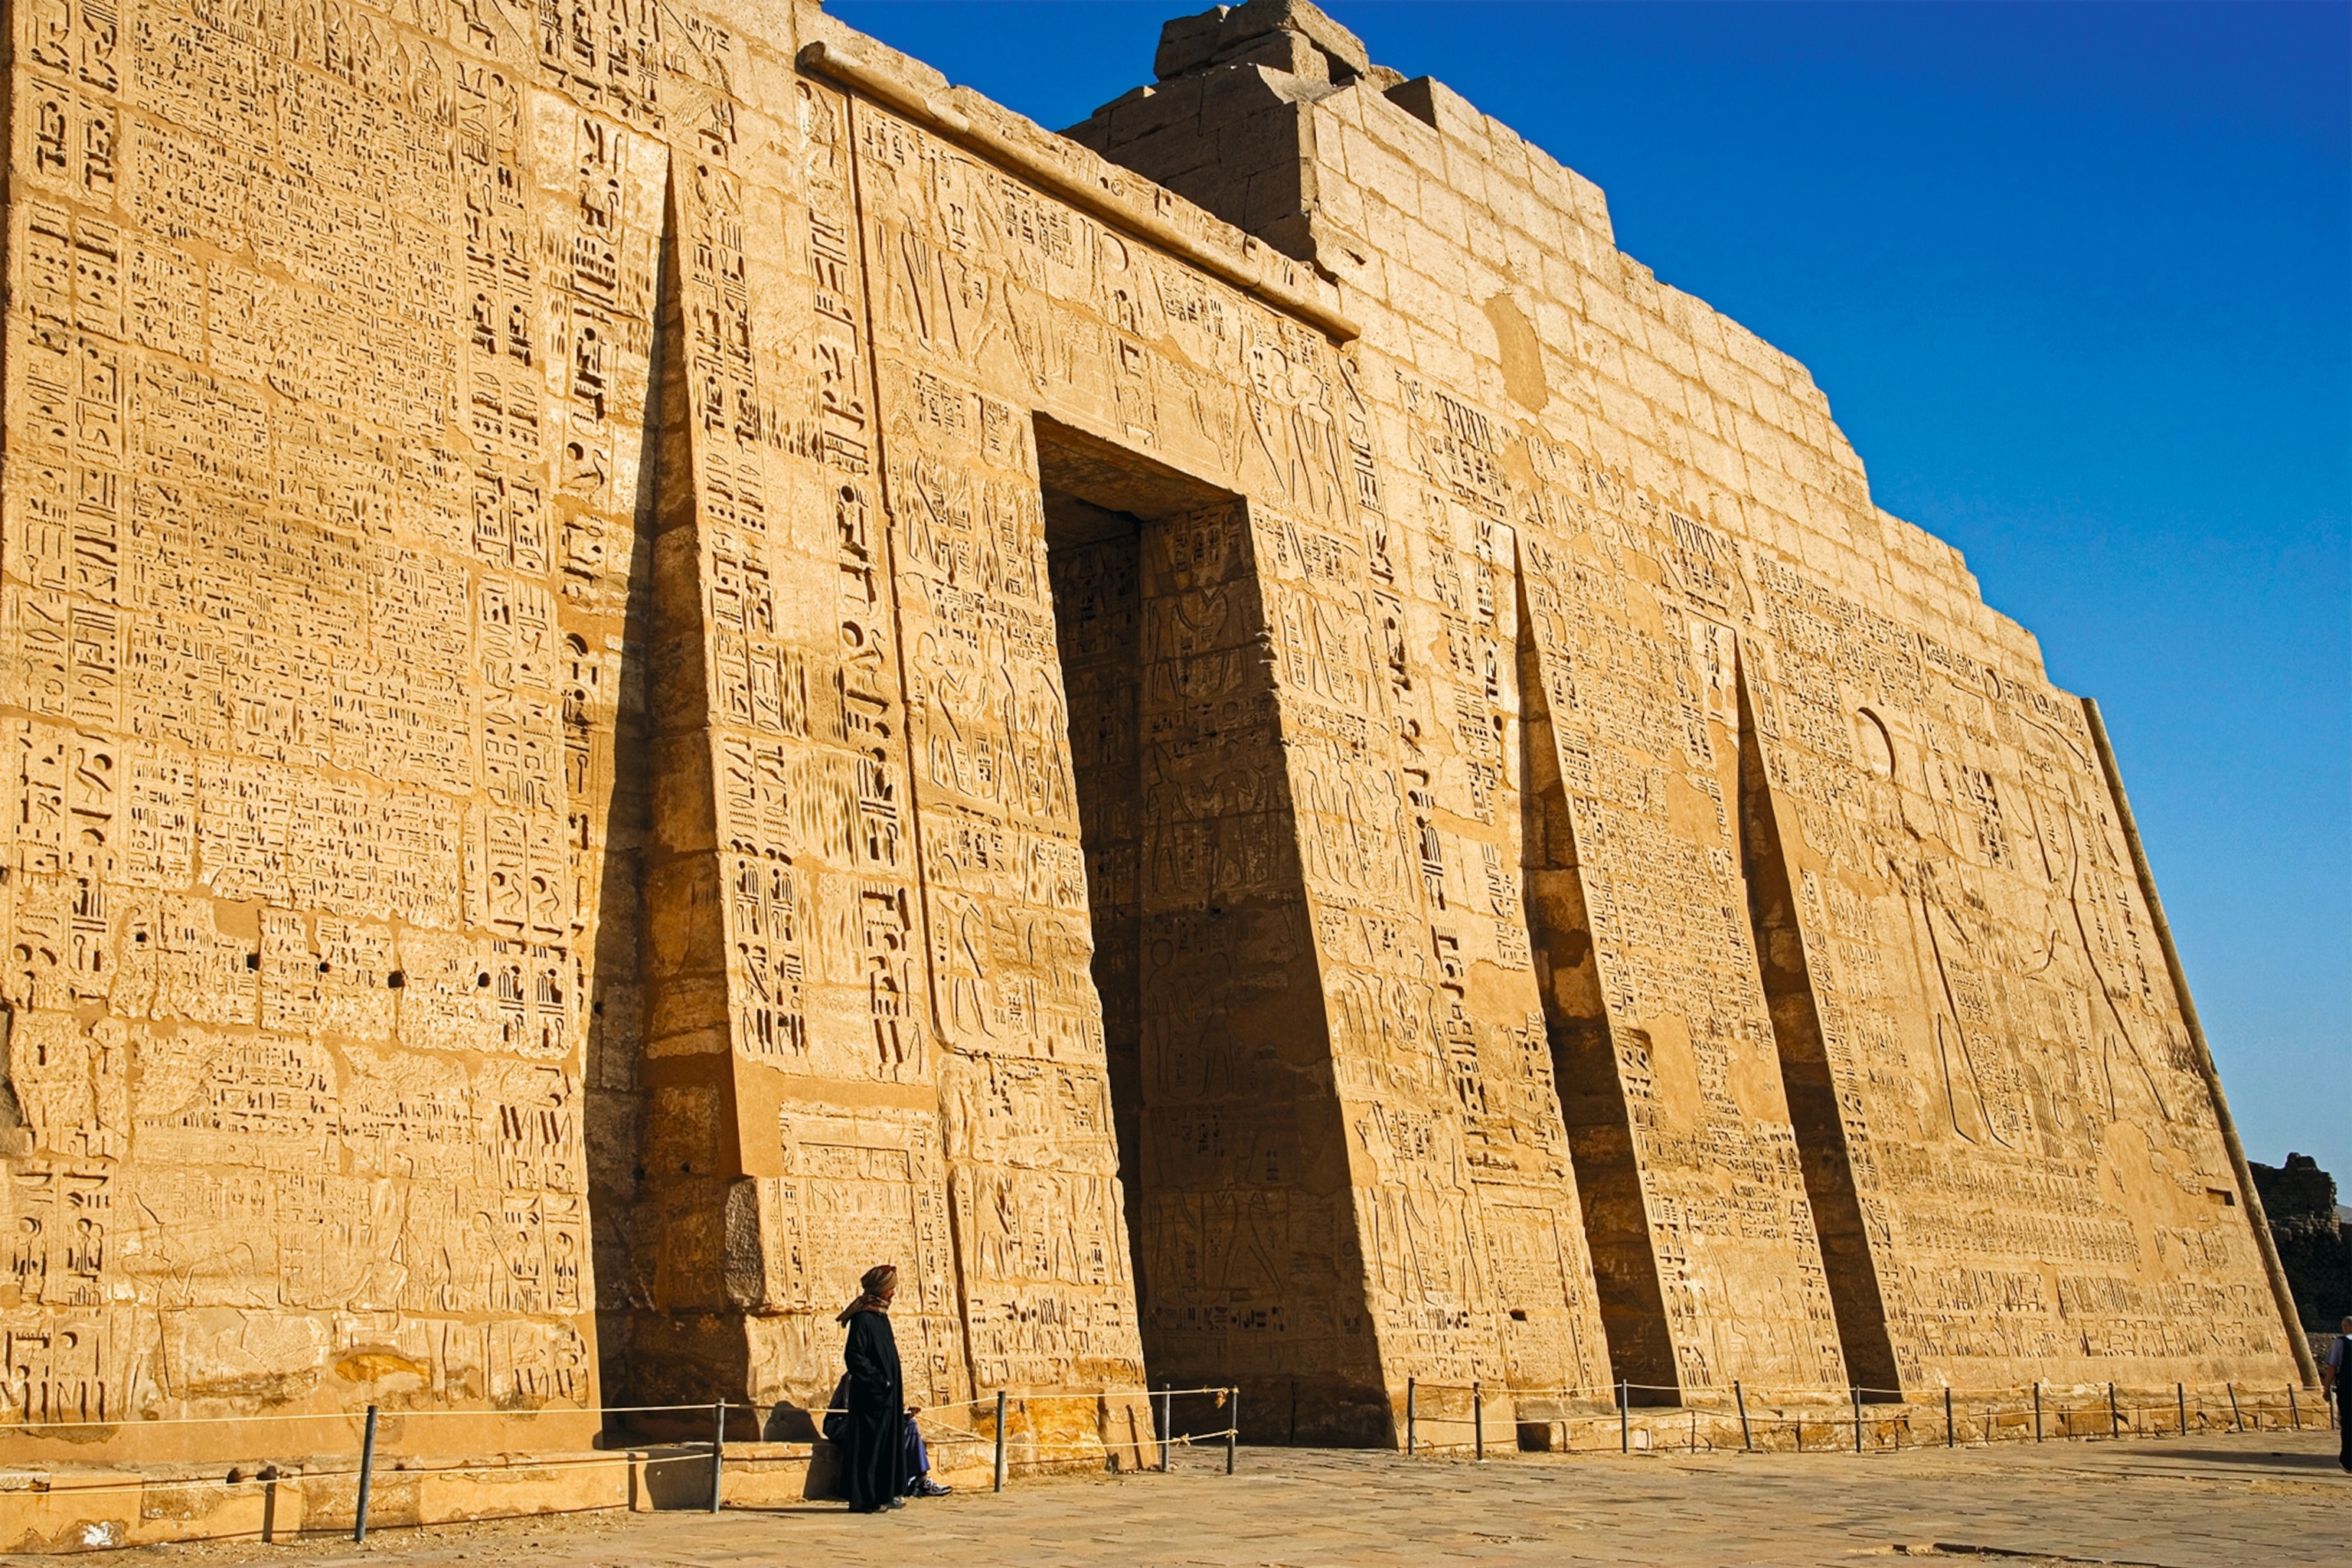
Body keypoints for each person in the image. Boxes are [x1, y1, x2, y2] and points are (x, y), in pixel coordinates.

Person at [838, 1263, 910, 1512]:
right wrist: (880, 1382)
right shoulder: (864, 1318)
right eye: (891, 1289)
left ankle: (881, 1494)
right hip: (872, 1398)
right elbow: (855, 1355)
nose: (893, 1293)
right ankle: (863, 1499)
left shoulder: (880, 1316)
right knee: (868, 1449)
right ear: (881, 1290)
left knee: (883, 1448)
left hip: (886, 1397)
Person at [2325, 1316, 2352, 1474]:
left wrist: (2326, 1387)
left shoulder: (2341, 1343)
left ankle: (2348, 1461)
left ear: (2345, 1327)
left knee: (2348, 1424)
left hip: (2348, 1389)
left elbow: (2332, 1367)